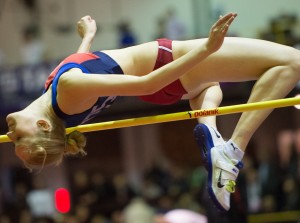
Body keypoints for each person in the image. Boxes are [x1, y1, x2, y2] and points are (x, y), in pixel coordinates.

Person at [5, 12, 300, 212]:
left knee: (210, 87)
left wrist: (87, 38)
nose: (9, 134)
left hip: (166, 81)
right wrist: (207, 49)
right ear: (43, 125)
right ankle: (233, 150)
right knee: (292, 62)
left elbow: (87, 67)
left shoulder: (58, 97)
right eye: (19, 138)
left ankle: (212, 135)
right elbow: (145, 83)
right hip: (165, 64)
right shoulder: (67, 89)